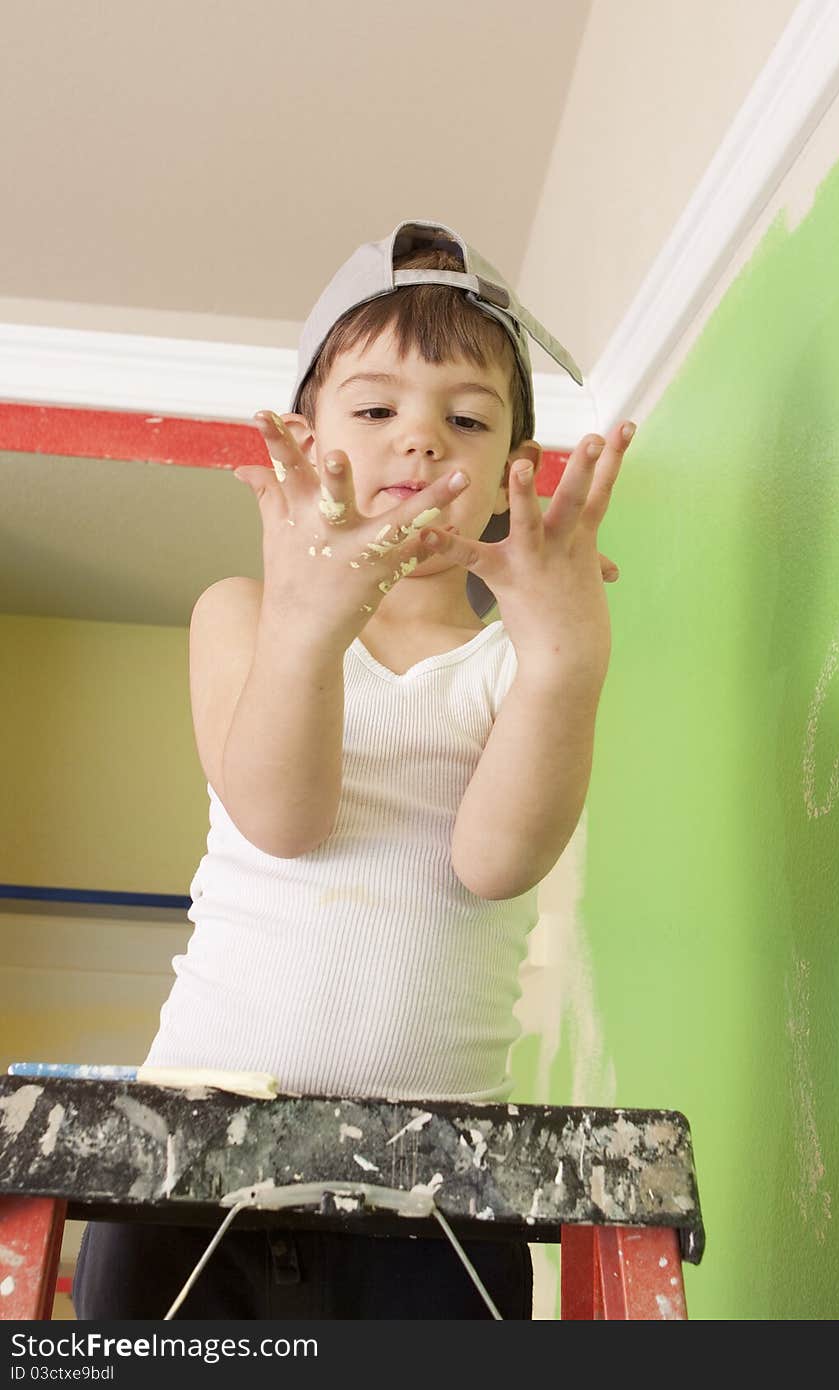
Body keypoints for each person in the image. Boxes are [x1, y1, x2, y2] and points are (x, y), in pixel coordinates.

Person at [72, 218, 635, 1320]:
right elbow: (282, 817)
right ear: (305, 442)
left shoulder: (518, 655)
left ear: (513, 472)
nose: (418, 441)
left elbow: (496, 863)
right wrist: (310, 626)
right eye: (375, 409)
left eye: (464, 418)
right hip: (196, 1146)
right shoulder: (239, 614)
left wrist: (567, 655)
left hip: (439, 1181)